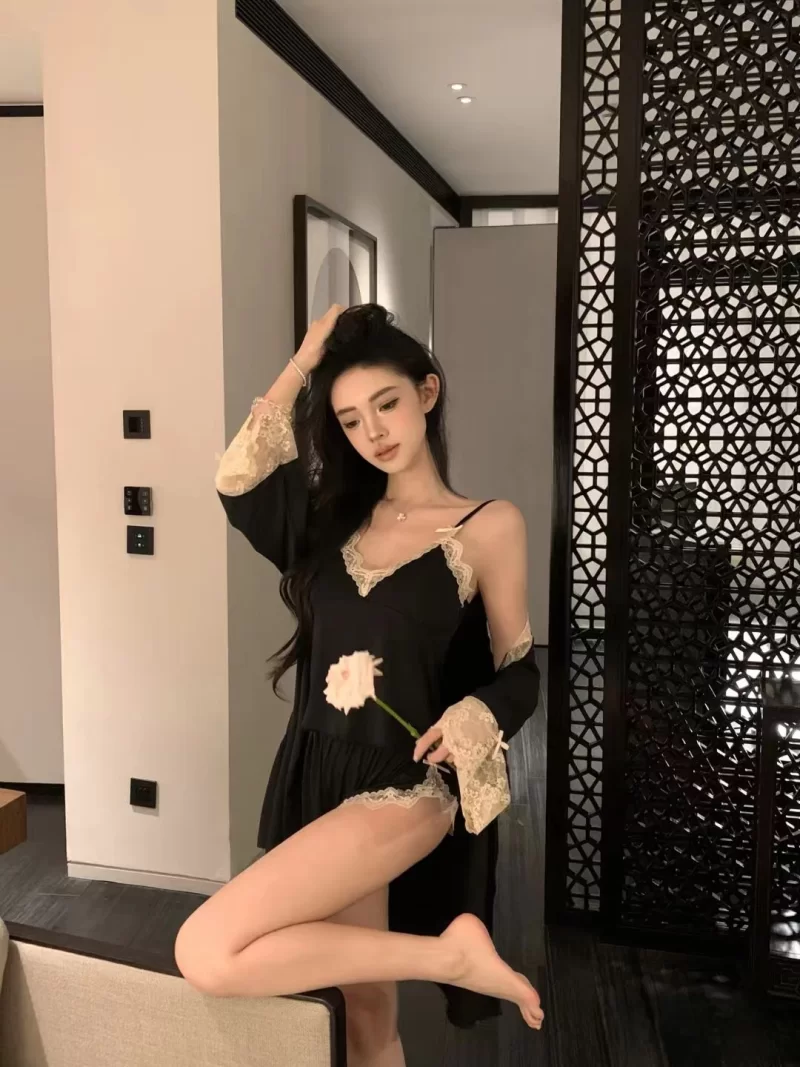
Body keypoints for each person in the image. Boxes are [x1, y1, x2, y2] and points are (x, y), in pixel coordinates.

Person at [175, 303, 544, 1066]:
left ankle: (448, 955)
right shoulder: (331, 521)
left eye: (386, 403)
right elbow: (237, 480)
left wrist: (477, 711)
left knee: (206, 948)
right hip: (320, 770)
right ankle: (447, 955)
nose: (373, 431)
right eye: (349, 420)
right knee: (366, 1016)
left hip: (406, 783)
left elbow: (521, 669)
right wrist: (305, 358)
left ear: (426, 393)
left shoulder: (489, 524)